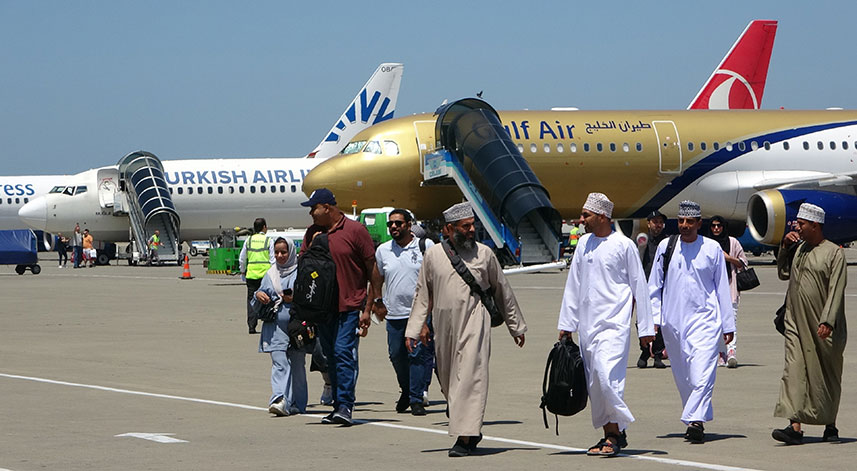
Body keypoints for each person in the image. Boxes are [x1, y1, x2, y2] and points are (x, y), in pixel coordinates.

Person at [404, 202, 527, 457]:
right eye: (465, 226)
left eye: (473, 225)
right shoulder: (433, 255)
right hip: (444, 325)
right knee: (450, 378)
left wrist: (516, 327)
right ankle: (466, 423)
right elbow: (422, 295)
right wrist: (414, 329)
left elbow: (502, 290)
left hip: (475, 320)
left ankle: (466, 437)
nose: (472, 230)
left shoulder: (485, 254)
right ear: (450, 229)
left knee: (471, 375)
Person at [558, 193, 655, 456]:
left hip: (615, 326)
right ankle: (610, 434)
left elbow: (640, 288)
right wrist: (567, 324)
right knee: (596, 385)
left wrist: (646, 330)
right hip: (588, 327)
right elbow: (573, 285)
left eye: (585, 215)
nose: (581, 220)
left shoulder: (624, 245)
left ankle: (616, 430)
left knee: (606, 377)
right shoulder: (584, 244)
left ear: (602, 217)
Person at [647, 200, 735, 443]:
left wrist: (728, 325)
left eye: (690, 222)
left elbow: (721, 289)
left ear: (699, 223)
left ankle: (695, 420)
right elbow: (654, 287)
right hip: (672, 323)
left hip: (706, 321)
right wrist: (653, 320)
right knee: (684, 375)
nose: (685, 225)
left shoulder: (712, 248)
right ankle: (695, 419)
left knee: (702, 373)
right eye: (681, 221)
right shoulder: (667, 246)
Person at [301, 188, 378, 426]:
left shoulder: (356, 231)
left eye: (314, 208)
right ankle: (337, 405)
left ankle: (346, 405)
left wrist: (370, 306)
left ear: (327, 207)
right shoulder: (313, 233)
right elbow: (303, 266)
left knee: (343, 352)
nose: (311, 213)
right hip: (323, 308)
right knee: (329, 356)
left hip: (349, 305)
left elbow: (372, 269)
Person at [772, 203, 847, 445]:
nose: (798, 228)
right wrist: (784, 247)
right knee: (793, 371)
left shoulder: (834, 253)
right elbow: (783, 273)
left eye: (802, 224)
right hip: (795, 322)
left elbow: (836, 289)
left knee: (826, 375)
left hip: (824, 327)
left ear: (814, 225)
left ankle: (830, 426)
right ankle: (794, 426)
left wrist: (828, 320)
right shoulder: (799, 249)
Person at [371, 208, 434, 416]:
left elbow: (434, 281)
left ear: (409, 224)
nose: (394, 227)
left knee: (416, 354)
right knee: (396, 355)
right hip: (394, 313)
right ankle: (406, 390)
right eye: (391, 224)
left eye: (398, 223)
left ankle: (416, 398)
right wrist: (377, 301)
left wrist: (427, 315)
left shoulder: (425, 247)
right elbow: (377, 277)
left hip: (418, 312)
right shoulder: (383, 250)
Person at [251, 237, 307, 416]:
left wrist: (295, 298)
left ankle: (297, 403)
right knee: (279, 362)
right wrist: (259, 294)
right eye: (276, 252)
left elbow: (309, 296)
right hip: (275, 326)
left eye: (283, 252)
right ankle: (279, 398)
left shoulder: (301, 272)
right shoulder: (271, 273)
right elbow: (259, 293)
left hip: (297, 325)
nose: (280, 255)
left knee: (297, 365)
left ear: (291, 252)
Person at [708, 216, 747, 368]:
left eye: (719, 226)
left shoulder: (733, 242)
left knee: (731, 322)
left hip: (730, 290)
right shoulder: (708, 244)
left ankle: (731, 352)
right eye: (713, 226)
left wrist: (729, 258)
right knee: (715, 324)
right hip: (712, 291)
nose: (716, 229)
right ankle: (720, 353)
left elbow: (743, 263)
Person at [637, 210, 669, 369]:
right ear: (648, 223)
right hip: (644, 286)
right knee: (642, 321)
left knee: (661, 321)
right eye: (655, 222)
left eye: (660, 222)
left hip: (663, 286)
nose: (658, 225)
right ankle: (644, 351)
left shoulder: (668, 242)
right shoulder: (642, 242)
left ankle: (657, 354)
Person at [239, 218, 275, 334]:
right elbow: (273, 259)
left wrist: (243, 271)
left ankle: (251, 326)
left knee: (251, 300)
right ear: (264, 227)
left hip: (251, 275)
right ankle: (268, 321)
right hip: (265, 276)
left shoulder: (248, 241)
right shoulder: (268, 240)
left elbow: (242, 259)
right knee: (268, 299)